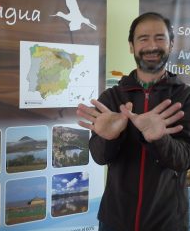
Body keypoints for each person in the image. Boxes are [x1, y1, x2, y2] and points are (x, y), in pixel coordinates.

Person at [77, 12, 190, 231]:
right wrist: (109, 138)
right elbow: (100, 157)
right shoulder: (111, 98)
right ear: (131, 46)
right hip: (115, 220)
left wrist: (159, 139)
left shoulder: (184, 97)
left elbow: (184, 160)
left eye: (160, 38)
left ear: (172, 44)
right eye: (143, 38)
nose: (151, 46)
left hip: (168, 221)